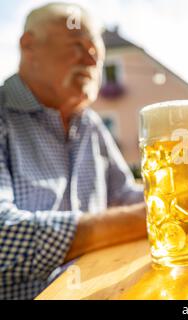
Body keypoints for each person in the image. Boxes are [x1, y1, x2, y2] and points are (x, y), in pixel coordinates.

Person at [0, 3, 147, 300]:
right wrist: (153, 215)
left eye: (96, 48)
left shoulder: (90, 124)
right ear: (29, 45)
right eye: (78, 43)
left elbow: (125, 196)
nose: (92, 56)